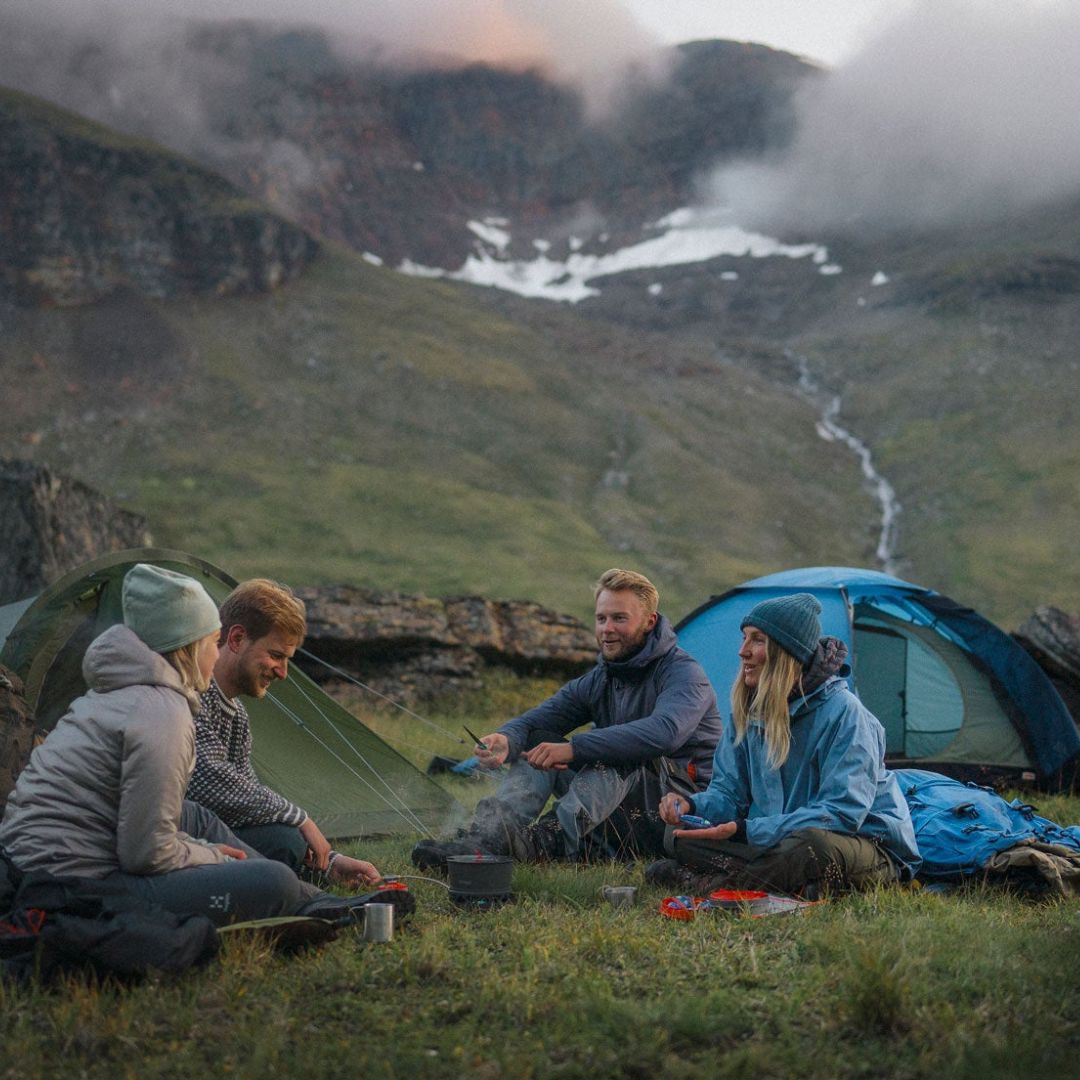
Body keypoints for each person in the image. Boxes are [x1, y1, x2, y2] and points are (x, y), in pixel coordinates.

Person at [0, 564, 313, 925]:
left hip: (37, 865)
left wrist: (201, 849)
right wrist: (213, 857)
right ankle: (308, 901)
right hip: (71, 885)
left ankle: (319, 902)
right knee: (274, 883)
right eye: (212, 642)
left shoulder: (117, 692)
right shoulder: (162, 712)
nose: (216, 654)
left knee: (195, 816)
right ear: (189, 646)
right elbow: (146, 855)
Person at [413, 568, 723, 868]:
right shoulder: (603, 677)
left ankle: (545, 841)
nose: (607, 629)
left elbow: (664, 733)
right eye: (601, 619)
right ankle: (489, 836)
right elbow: (538, 720)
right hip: (618, 811)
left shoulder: (683, 673)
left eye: (619, 618)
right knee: (538, 738)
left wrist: (574, 749)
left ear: (649, 621)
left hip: (674, 816)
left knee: (621, 750)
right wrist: (507, 739)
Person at [647, 593, 920, 898]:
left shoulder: (846, 715)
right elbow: (729, 794)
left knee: (813, 847)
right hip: (777, 840)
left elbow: (841, 814)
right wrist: (692, 806)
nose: (742, 651)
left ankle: (714, 885)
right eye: (744, 638)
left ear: (787, 651)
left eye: (757, 640)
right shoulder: (749, 714)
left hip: (863, 847)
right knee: (679, 835)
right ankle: (795, 884)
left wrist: (748, 831)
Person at [186, 578, 379, 888]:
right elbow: (208, 780)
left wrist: (329, 861)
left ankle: (312, 877)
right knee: (284, 840)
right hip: (169, 835)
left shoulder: (236, 715)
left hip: (207, 832)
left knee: (282, 838)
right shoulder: (191, 693)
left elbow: (246, 795)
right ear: (236, 639)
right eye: (276, 655)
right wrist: (300, 818)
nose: (283, 672)